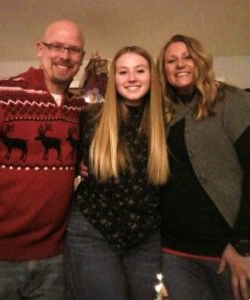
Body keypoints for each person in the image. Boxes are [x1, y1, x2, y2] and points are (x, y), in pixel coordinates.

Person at [0, 19, 85, 299]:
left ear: (82, 58)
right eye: (56, 46)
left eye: (73, 50)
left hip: (55, 260)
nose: (64, 55)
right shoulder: (0, 96)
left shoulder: (79, 109)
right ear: (40, 49)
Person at [64, 46, 169, 300]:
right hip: (92, 231)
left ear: (152, 76)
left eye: (140, 70)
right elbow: (65, 157)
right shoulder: (90, 117)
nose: (131, 78)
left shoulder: (168, 120)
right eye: (123, 72)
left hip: (146, 237)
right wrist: (80, 164)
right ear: (114, 79)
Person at [157, 34, 250, 300]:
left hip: (227, 251)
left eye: (187, 57)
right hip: (175, 253)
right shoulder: (163, 113)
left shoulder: (232, 101)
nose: (180, 64)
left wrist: (243, 244)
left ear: (201, 61)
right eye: (171, 61)